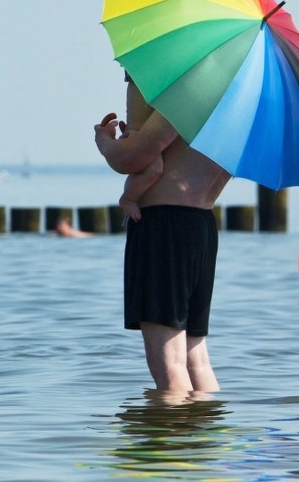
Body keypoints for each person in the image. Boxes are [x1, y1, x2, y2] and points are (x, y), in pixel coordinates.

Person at [95, 77, 231, 393]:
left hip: (164, 225)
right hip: (202, 226)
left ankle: (173, 438)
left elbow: (139, 159)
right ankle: (204, 439)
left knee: (167, 361)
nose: (122, 67)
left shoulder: (183, 89)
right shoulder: (230, 98)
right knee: (195, 357)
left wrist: (105, 142)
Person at [114, 73, 163, 222]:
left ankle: (129, 198)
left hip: (151, 89)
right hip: (140, 123)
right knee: (153, 168)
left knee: (153, 167)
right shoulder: (141, 77)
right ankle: (128, 198)